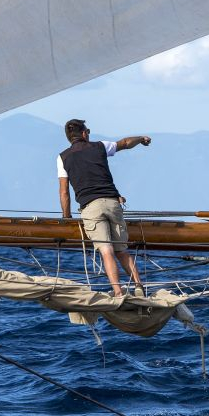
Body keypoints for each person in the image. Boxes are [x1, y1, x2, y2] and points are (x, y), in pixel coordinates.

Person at [57, 119, 152, 297]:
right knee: (121, 250)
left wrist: (66, 217)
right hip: (112, 203)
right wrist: (141, 138)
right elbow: (124, 143)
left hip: (90, 207)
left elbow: (64, 193)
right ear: (84, 133)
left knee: (106, 251)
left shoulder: (62, 158)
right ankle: (139, 287)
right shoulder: (100, 146)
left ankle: (118, 291)